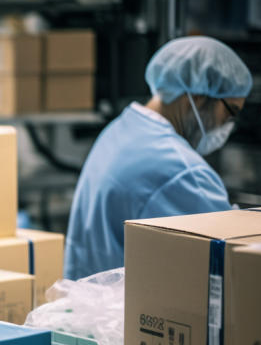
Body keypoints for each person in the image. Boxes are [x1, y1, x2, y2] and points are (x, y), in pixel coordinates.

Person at [64, 36, 251, 279]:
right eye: (231, 111)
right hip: (120, 313)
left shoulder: (120, 129)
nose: (228, 124)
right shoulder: (180, 171)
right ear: (198, 96)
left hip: (86, 303)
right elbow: (230, 261)